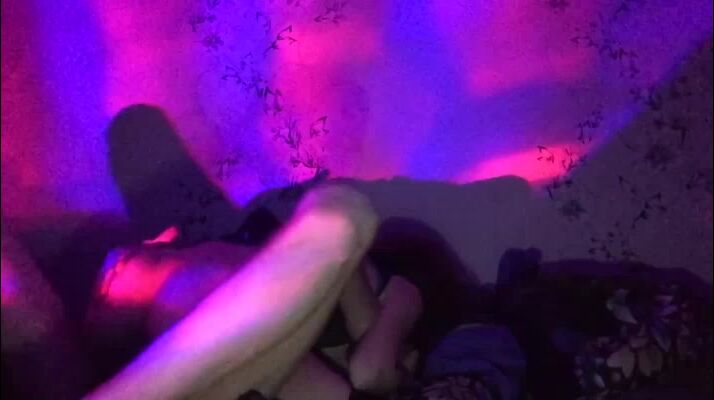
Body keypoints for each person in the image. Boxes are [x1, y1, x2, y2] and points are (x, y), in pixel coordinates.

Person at [82, 184, 422, 399]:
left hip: (342, 293)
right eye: (102, 294)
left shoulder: (234, 246)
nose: (109, 274)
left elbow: (368, 372)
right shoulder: (167, 310)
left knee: (342, 214)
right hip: (298, 353)